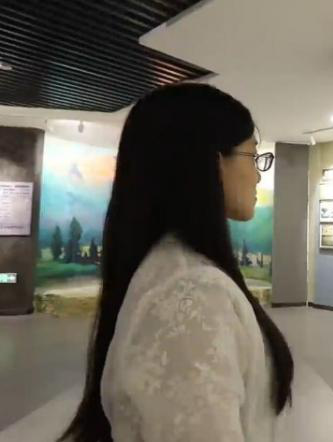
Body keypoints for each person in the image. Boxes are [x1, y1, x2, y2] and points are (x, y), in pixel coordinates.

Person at [58, 84, 293, 442]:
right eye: (253, 155)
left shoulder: (170, 269)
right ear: (213, 162)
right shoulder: (192, 296)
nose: (259, 173)